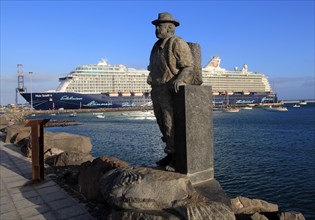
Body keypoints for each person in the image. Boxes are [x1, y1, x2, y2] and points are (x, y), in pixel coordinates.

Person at [147, 12, 194, 168]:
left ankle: (177, 157)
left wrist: (180, 79)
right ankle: (170, 152)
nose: (156, 29)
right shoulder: (155, 47)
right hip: (157, 89)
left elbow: (188, 66)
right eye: (156, 26)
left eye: (159, 26)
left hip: (169, 88)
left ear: (169, 28)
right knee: (162, 124)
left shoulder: (177, 43)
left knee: (170, 123)